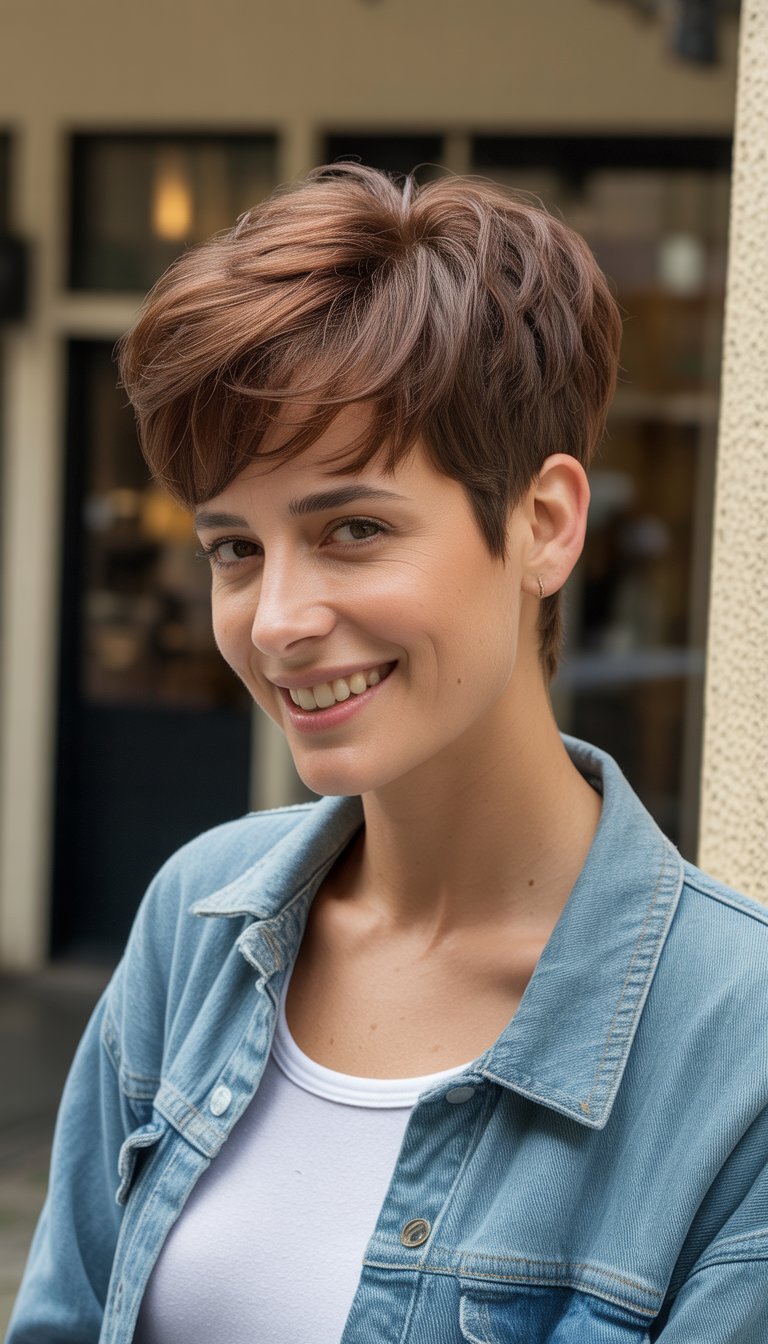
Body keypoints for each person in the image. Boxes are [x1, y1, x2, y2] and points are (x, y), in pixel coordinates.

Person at [8, 164, 768, 1344]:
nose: (275, 622)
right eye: (235, 549)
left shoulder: (737, 1049)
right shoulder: (195, 922)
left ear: (545, 524)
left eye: (352, 530)